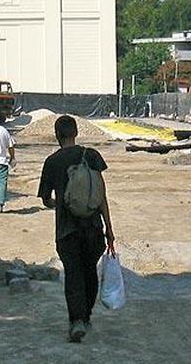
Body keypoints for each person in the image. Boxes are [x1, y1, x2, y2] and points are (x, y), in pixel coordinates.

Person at [37, 115, 115, 344]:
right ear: (76, 133)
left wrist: (59, 203)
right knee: (89, 270)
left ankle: (76, 321)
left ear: (57, 135)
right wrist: (109, 229)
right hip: (93, 228)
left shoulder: (52, 162)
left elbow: (45, 199)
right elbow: (101, 194)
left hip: (66, 229)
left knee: (73, 273)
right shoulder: (91, 156)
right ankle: (87, 315)